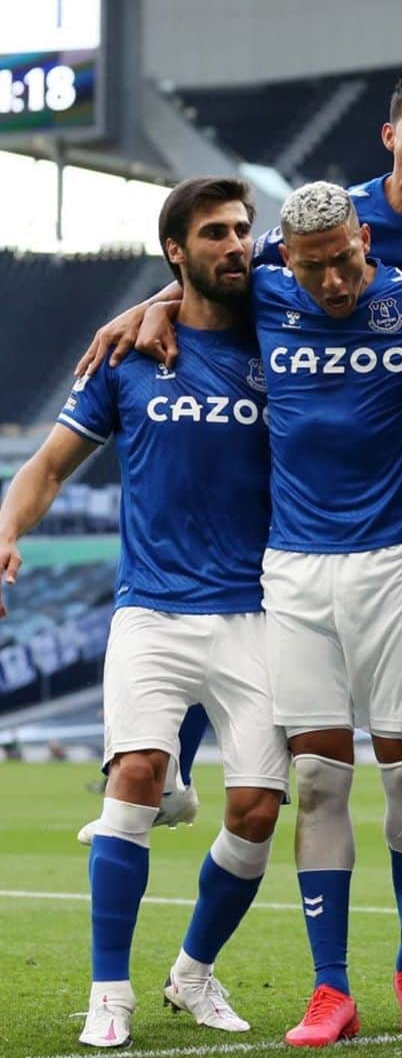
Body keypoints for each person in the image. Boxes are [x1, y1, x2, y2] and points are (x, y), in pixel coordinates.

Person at [75, 67, 402, 903]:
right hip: (312, 512)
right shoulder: (324, 218)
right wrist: (153, 305)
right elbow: (226, 271)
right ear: (392, 137)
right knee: (226, 598)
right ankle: (174, 767)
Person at [130, 181, 402, 1044]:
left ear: (366, 244)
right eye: (315, 269)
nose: (336, 282)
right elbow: (199, 282)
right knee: (315, 780)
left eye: (347, 261)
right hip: (294, 572)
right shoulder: (267, 291)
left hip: (394, 565)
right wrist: (146, 309)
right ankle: (330, 987)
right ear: (286, 262)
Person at [0, 177, 289, 1048]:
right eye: (215, 233)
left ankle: (193, 974)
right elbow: (47, 468)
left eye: (243, 230)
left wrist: (156, 303)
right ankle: (110, 993)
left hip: (259, 615)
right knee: (131, 778)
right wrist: (7, 531)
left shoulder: (280, 339)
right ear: (177, 251)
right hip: (153, 611)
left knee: (257, 813)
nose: (236, 244)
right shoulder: (127, 361)